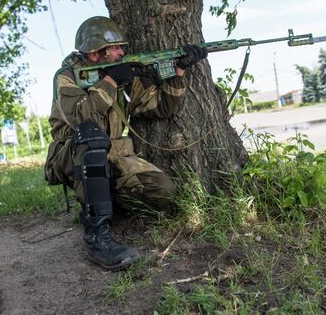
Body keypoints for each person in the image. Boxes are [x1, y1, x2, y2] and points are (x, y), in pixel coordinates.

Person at [44, 16, 206, 270]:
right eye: (116, 47)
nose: (123, 52)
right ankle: (97, 236)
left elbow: (161, 107)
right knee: (91, 136)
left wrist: (178, 72)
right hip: (75, 155)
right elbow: (80, 116)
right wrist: (110, 83)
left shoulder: (121, 75)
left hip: (112, 157)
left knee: (162, 191)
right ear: (96, 53)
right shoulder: (68, 77)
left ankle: (102, 205)